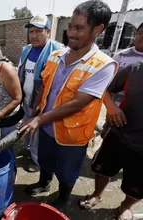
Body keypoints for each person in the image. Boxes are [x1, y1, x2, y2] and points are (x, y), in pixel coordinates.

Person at [18, 0, 117, 213]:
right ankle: (44, 182)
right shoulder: (55, 55)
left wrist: (39, 119)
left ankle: (63, 197)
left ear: (97, 29)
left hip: (72, 135)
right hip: (45, 127)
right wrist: (35, 109)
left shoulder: (103, 65)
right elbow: (44, 85)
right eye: (71, 26)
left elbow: (77, 103)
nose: (71, 33)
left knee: (66, 171)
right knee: (45, 160)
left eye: (79, 28)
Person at [78, 61, 143, 219]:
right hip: (119, 133)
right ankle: (97, 194)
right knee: (103, 170)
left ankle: (125, 207)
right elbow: (107, 89)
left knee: (139, 185)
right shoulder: (135, 68)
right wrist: (111, 107)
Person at [18, 14, 63, 172]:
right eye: (31, 31)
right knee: (26, 127)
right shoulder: (27, 50)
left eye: (38, 31)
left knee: (38, 133)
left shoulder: (58, 51)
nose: (34, 35)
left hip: (44, 102)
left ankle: (37, 161)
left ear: (48, 31)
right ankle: (28, 150)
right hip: (27, 99)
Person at [101, 22, 143, 137]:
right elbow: (105, 86)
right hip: (116, 113)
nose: (142, 37)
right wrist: (111, 107)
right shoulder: (121, 56)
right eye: (140, 33)